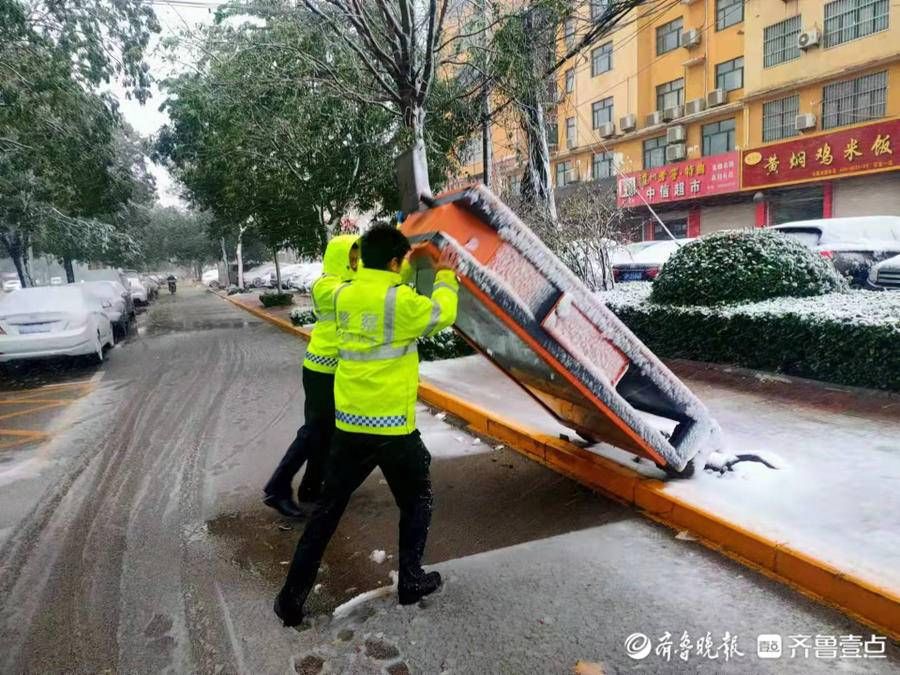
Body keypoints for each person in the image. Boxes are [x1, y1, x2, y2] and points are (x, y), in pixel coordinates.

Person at [274, 223, 459, 626]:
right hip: (393, 430)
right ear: (395, 263)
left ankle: (290, 599)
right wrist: (445, 274)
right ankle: (410, 580)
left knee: (325, 513)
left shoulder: (341, 295)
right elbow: (444, 311)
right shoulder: (403, 303)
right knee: (417, 501)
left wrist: (401, 266)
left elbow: (359, 285)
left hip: (350, 428)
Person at [263, 235, 360, 518]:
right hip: (321, 371)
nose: (356, 262)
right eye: (352, 257)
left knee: (326, 433)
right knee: (314, 432)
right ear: (338, 257)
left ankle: (310, 488)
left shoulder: (348, 284)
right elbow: (356, 297)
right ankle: (277, 487)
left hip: (334, 370)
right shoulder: (326, 285)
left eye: (358, 257)